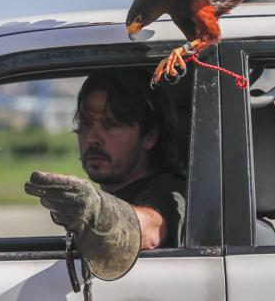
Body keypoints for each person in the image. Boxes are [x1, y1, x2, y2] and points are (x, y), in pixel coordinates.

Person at [24, 69, 186, 280]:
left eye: (111, 125)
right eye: (86, 123)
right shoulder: (122, 191)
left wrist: (98, 214)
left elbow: (152, 229)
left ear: (149, 137)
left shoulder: (169, 192)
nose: (93, 138)